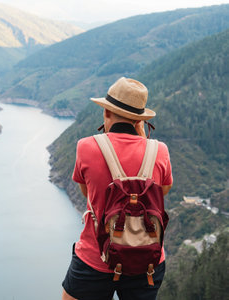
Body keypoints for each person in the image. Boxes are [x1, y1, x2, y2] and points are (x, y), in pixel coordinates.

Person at [61, 77, 173, 300]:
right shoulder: (159, 150)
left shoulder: (86, 147)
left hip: (95, 258)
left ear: (106, 113)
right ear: (139, 120)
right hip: (146, 259)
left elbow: (88, 193)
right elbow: (161, 192)